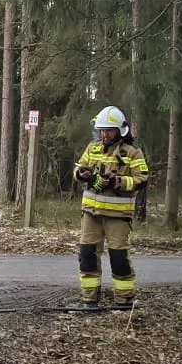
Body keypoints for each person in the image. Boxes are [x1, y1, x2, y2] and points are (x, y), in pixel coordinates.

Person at [73, 105, 149, 309]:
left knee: (119, 257)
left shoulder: (132, 153)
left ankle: (124, 300)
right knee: (87, 255)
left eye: (108, 130)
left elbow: (142, 180)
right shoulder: (93, 148)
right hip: (91, 213)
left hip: (118, 215)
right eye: (102, 130)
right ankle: (89, 299)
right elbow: (79, 168)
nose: (104, 135)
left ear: (119, 130)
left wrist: (117, 182)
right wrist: (82, 175)